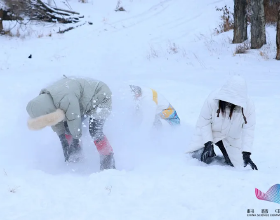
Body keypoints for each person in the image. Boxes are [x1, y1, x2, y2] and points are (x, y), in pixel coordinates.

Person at [26, 76, 115, 170]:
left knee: (95, 131)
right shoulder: (48, 102)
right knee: (66, 129)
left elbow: (74, 118)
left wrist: (75, 141)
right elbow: (55, 119)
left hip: (100, 97)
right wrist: (62, 139)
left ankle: (108, 163)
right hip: (83, 103)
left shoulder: (65, 98)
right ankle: (76, 159)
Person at [187, 75, 258, 170]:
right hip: (210, 131)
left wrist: (246, 153)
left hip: (231, 137)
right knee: (195, 158)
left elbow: (249, 130)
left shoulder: (248, 106)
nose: (229, 104)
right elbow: (204, 122)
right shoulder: (212, 100)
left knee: (238, 165)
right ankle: (207, 147)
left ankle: (225, 149)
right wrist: (208, 143)